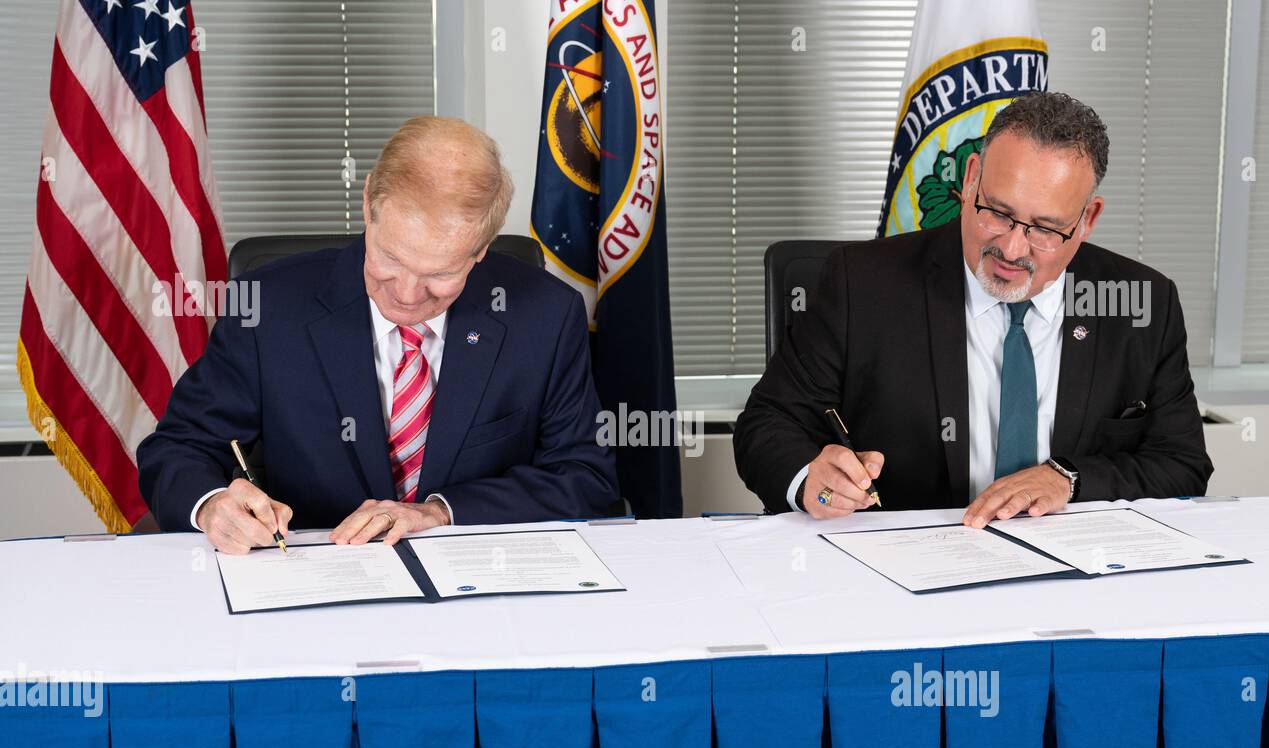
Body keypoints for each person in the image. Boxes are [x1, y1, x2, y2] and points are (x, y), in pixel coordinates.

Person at [138, 116, 619, 554]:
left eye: (441, 273)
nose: (409, 294)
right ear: (368, 202)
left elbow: (585, 478)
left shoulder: (546, 315)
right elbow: (177, 448)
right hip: (311, 577)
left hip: (475, 582)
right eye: (390, 258)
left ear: (481, 249)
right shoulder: (267, 306)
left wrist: (439, 511)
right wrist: (210, 505)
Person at [734, 91, 1212, 526]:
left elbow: (1181, 464)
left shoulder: (1142, 303)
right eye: (998, 212)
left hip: (1075, 579)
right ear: (971, 179)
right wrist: (808, 481)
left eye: (1045, 228)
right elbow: (766, 424)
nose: (1012, 246)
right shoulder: (861, 283)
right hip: (899, 571)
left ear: (1087, 219)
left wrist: (1069, 478)